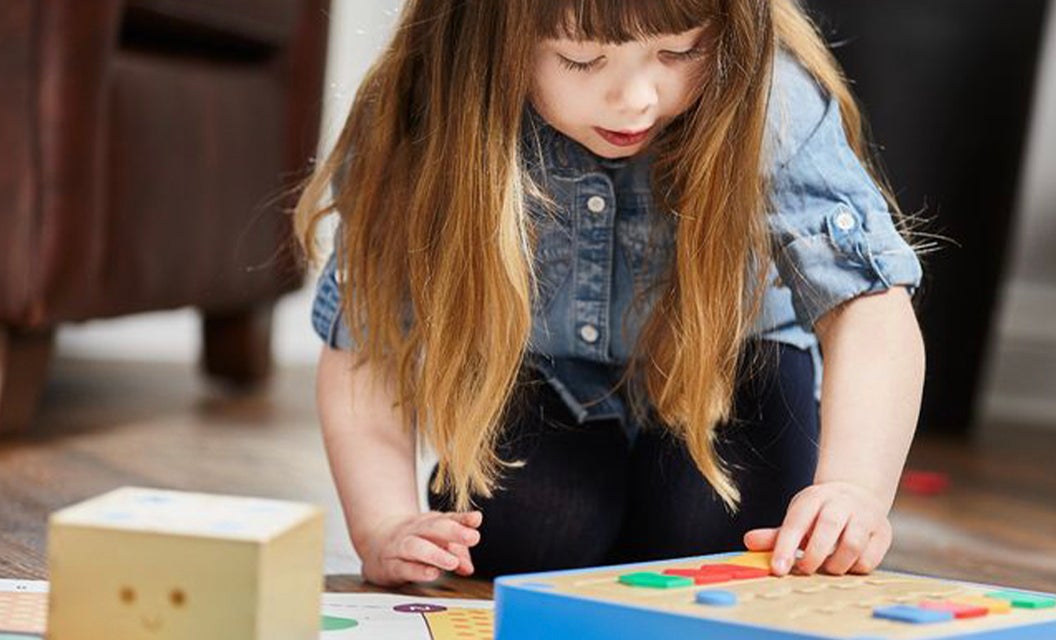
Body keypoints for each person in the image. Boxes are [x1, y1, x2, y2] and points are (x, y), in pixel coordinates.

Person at [294, 0, 926, 587]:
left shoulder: (771, 99)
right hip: (549, 376)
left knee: (723, 535)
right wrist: (382, 523)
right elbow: (365, 338)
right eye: (580, 59)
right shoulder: (426, 110)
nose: (636, 100)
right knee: (518, 536)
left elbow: (867, 307)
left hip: (730, 368)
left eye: (679, 52)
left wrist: (853, 489)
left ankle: (644, 526)